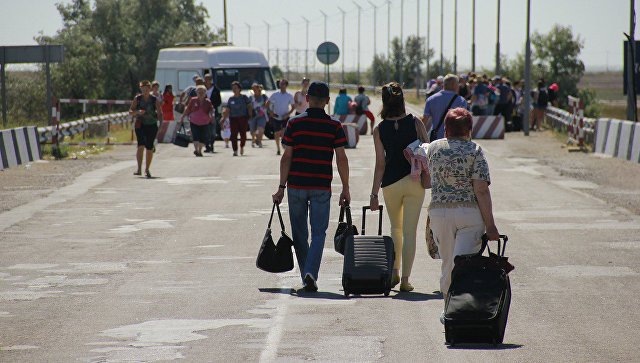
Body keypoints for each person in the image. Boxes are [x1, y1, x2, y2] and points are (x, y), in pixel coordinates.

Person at [272, 81, 350, 293]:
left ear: (307, 99)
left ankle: (307, 274)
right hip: (321, 186)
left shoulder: (294, 124)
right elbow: (341, 159)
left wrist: (281, 187)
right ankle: (310, 273)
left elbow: (286, 157)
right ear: (327, 101)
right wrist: (346, 188)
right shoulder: (334, 126)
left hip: (296, 185)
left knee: (299, 234)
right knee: (318, 233)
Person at [424, 107, 500, 324]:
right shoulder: (475, 150)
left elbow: (424, 178)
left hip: (440, 214)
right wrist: (491, 225)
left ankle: (449, 308)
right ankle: (465, 309)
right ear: (469, 130)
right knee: (465, 265)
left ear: (445, 129)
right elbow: (481, 189)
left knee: (448, 263)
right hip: (469, 215)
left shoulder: (434, 148)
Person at [370, 82, 427, 292]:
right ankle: (405, 280)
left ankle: (393, 272)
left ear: (384, 101)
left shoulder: (379, 129)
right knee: (410, 232)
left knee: (396, 228)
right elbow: (427, 151)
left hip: (390, 184)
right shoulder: (415, 122)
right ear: (402, 99)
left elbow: (380, 164)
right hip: (414, 183)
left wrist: (373, 194)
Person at [129, 80, 163, 178]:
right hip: (140, 125)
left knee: (149, 147)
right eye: (143, 89)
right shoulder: (138, 99)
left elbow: (160, 113)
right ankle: (139, 168)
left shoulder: (154, 99)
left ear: (150, 89)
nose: (145, 91)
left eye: (147, 89)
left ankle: (147, 169)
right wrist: (138, 112)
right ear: (141, 89)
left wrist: (160, 126)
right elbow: (130, 111)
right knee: (140, 145)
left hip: (152, 125)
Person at [422, 74, 468, 141]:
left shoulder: (431, 99)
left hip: (436, 139)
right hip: (454, 140)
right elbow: (464, 123)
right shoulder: (461, 101)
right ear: (453, 84)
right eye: (458, 84)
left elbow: (424, 121)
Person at [180, 85, 214, 157]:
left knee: (202, 137)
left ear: (205, 93)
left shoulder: (208, 101)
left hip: (204, 122)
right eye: (199, 92)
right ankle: (196, 150)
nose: (201, 93)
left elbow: (211, 110)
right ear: (196, 93)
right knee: (195, 136)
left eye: (202, 92)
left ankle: (200, 150)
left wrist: (212, 116)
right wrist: (182, 117)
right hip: (194, 121)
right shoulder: (193, 100)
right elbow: (188, 109)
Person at [266, 79, 295, 155]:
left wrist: (287, 114)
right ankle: (278, 149)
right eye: (281, 84)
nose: (282, 85)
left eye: (283, 84)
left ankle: (284, 144)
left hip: (285, 117)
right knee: (277, 133)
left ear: (286, 85)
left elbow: (293, 107)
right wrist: (270, 112)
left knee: (284, 132)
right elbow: (267, 103)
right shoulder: (275, 94)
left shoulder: (289, 95)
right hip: (276, 117)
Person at [227, 81, 252, 156]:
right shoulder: (231, 99)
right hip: (233, 118)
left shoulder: (244, 97)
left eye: (236, 88)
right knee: (233, 135)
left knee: (243, 134)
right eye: (233, 88)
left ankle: (242, 146)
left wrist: (250, 115)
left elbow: (249, 106)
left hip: (243, 117)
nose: (234, 89)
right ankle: (235, 150)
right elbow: (228, 108)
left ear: (239, 89)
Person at [204, 73, 221, 153]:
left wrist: (212, 106)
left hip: (214, 112)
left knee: (213, 131)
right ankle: (207, 146)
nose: (207, 81)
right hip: (204, 113)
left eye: (209, 79)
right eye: (206, 79)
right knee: (205, 130)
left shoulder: (216, 90)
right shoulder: (202, 90)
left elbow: (219, 101)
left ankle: (212, 144)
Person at [249, 83, 268, 148]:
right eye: (253, 89)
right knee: (253, 131)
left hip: (261, 115)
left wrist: (265, 106)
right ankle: (253, 140)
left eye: (255, 89)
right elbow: (249, 106)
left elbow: (268, 103)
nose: (254, 91)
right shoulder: (251, 97)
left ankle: (259, 141)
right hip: (253, 115)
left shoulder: (264, 97)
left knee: (261, 129)